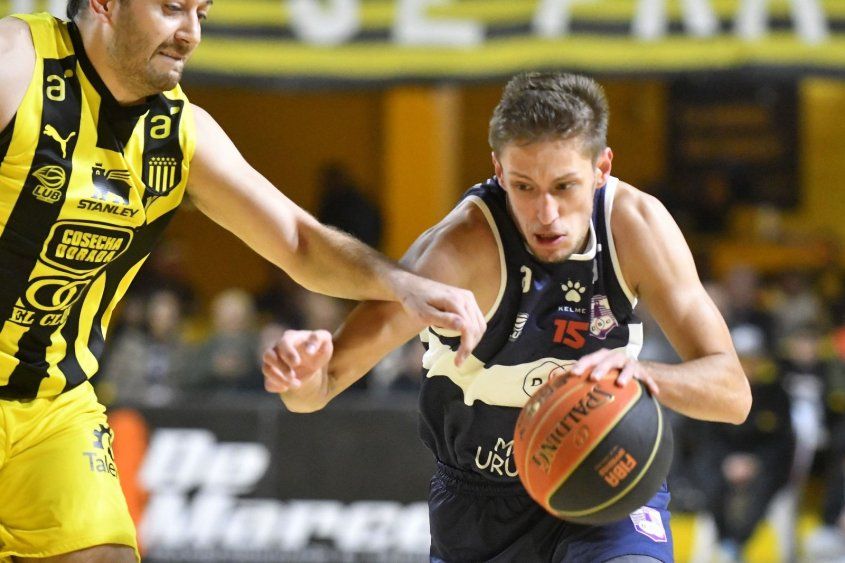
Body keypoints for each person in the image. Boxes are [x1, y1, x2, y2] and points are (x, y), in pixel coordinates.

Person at [0, 2, 486, 561]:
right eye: (171, 8)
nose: (190, 33)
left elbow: (300, 241)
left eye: (200, 12)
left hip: (54, 406)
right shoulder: (19, 62)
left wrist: (404, 284)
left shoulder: (180, 133)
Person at [263, 72, 752, 562]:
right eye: (524, 186)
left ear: (602, 167)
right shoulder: (460, 251)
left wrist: (644, 375)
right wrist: (298, 376)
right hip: (482, 501)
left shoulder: (636, 226)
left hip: (603, 470)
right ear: (498, 170)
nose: (546, 213)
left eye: (565, 186)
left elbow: (732, 393)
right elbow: (319, 387)